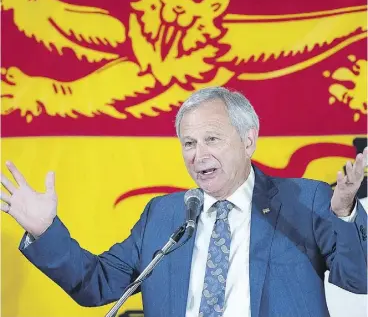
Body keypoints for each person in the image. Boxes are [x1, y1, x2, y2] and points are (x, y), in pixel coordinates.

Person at [1, 87, 367, 317]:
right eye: (189, 143)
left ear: (248, 140)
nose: (198, 154)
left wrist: (345, 213)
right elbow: (97, 284)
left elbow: (360, 279)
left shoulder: (306, 199)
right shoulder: (164, 215)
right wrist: (45, 231)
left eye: (212, 139)